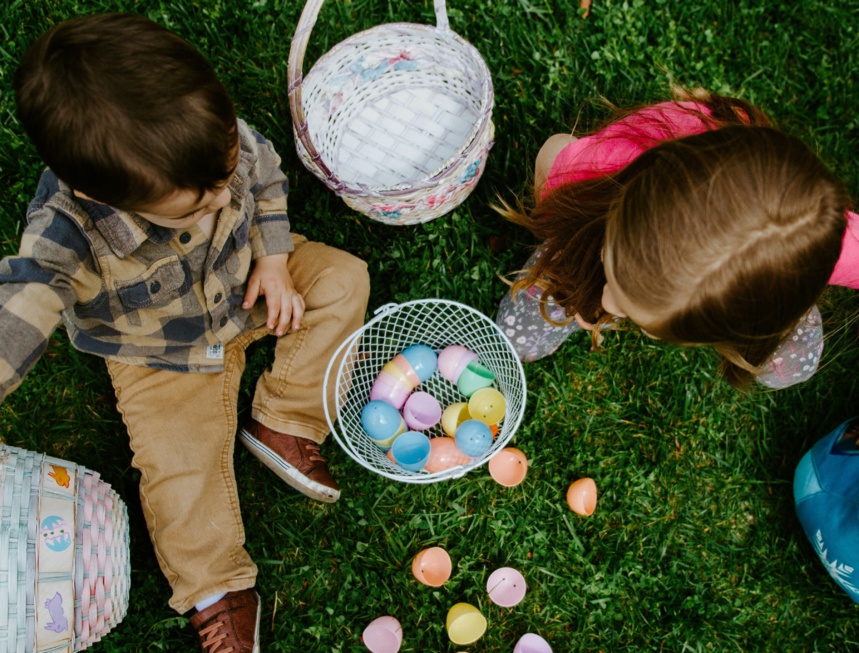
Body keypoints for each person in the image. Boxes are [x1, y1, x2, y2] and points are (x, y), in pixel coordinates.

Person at [6, 13, 370, 652]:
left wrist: (276, 257)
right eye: (196, 205)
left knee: (342, 279)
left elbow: (265, 178)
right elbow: (23, 304)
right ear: (100, 192)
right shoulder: (64, 233)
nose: (219, 198)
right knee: (178, 470)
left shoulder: (212, 140)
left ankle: (286, 418)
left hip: (250, 284)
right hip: (156, 353)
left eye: (224, 177)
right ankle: (216, 587)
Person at [496, 89, 859, 389]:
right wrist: (582, 279)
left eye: (627, 306)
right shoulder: (592, 173)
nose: (610, 304)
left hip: (775, 288)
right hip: (598, 208)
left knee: (788, 368)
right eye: (613, 259)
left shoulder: (825, 245)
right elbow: (552, 151)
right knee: (520, 336)